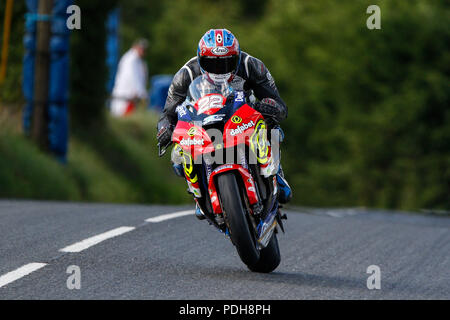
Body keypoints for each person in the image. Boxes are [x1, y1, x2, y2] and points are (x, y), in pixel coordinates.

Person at [157, 29, 292, 204]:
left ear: (237, 57)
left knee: (272, 127)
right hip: (204, 120)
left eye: (227, 62)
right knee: (178, 154)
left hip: (242, 116)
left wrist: (270, 106)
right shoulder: (186, 74)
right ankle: (200, 193)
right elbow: (168, 113)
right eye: (212, 63)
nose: (219, 69)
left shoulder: (252, 65)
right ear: (200, 58)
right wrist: (165, 128)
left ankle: (275, 173)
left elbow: (279, 103)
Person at [110, 39, 149, 117]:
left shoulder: (138, 60)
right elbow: (134, 78)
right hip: (126, 96)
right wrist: (142, 94)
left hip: (131, 97)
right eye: (141, 48)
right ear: (136, 46)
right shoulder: (131, 59)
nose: (143, 51)